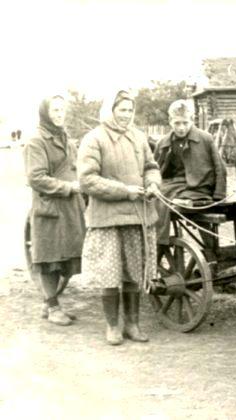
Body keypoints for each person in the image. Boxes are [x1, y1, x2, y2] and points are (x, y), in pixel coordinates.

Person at [78, 90, 161, 345]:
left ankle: (133, 325)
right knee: (110, 273)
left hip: (137, 216)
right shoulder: (95, 139)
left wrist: (153, 184)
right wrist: (124, 191)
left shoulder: (138, 137)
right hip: (108, 219)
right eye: (122, 110)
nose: (126, 115)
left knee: (134, 272)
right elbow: (87, 179)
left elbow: (151, 167)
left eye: (130, 110)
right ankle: (113, 326)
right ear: (111, 110)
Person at [23, 95, 86, 326]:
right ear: (45, 113)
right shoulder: (36, 141)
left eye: (62, 110)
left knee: (67, 256)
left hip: (70, 207)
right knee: (50, 258)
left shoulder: (66, 138)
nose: (60, 115)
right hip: (50, 206)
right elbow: (36, 178)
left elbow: (76, 166)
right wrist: (68, 186)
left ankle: (50, 302)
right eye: (55, 111)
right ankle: (52, 307)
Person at [154, 100, 226, 250]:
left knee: (176, 199)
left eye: (185, 123)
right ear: (170, 122)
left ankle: (211, 250)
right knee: (158, 198)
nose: (181, 128)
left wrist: (219, 194)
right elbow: (153, 168)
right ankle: (159, 241)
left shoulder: (205, 139)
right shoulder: (163, 142)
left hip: (199, 187)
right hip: (173, 185)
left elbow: (220, 167)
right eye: (177, 123)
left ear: (192, 120)